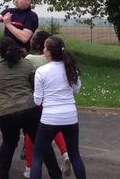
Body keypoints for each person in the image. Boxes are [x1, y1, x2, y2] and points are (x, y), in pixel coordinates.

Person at [0, 36, 63, 179]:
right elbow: (34, 84)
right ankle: (56, 175)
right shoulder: (26, 64)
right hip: (29, 109)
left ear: (0, 51)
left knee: (8, 145)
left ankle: (2, 175)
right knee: (43, 144)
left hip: (6, 112)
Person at [30, 36, 86, 179]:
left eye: (44, 48)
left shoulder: (42, 71)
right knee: (75, 156)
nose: (43, 50)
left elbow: (37, 101)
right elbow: (76, 90)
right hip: (70, 117)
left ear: (48, 52)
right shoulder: (70, 68)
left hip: (50, 118)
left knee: (37, 157)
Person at [24, 31, 71, 178]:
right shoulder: (61, 62)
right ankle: (65, 153)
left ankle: (29, 166)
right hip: (60, 104)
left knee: (31, 136)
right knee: (56, 131)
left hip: (39, 102)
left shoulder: (29, 59)